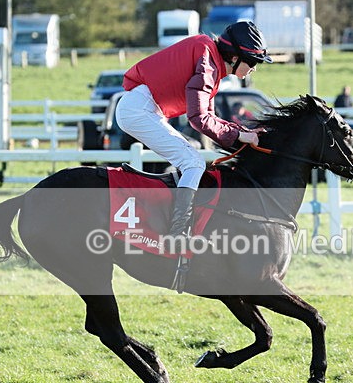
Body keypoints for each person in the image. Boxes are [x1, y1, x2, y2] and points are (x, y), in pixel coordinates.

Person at [116, 21, 271, 241]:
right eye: (253, 62)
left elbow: (210, 118)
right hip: (138, 110)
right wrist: (239, 135)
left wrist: (243, 131)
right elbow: (199, 119)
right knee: (193, 163)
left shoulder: (209, 58)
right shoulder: (207, 63)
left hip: (141, 108)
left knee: (191, 161)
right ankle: (178, 233)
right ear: (235, 57)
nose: (254, 68)